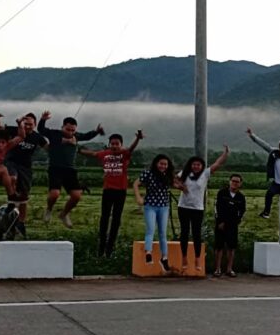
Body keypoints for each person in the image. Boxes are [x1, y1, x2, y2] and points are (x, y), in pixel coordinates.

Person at [79, 129, 144, 257]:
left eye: (117, 143)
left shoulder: (124, 154)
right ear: (109, 144)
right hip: (107, 190)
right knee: (104, 218)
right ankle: (101, 248)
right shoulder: (105, 154)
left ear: (121, 144)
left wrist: (137, 139)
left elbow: (131, 148)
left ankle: (110, 249)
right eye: (112, 143)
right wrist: (78, 150)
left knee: (116, 219)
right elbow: (92, 154)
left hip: (121, 191)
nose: (114, 146)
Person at [38, 111, 103, 228]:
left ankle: (64, 214)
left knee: (76, 196)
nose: (70, 132)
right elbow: (41, 130)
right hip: (55, 168)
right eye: (68, 129)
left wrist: (97, 131)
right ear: (62, 127)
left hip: (70, 170)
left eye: (73, 130)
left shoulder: (76, 136)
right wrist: (43, 119)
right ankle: (49, 209)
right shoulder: (54, 134)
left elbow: (87, 136)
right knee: (54, 194)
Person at [0, 112, 48, 239]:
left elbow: (49, 148)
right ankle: (12, 200)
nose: (28, 127)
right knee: (12, 178)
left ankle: (20, 224)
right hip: (11, 162)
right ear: (22, 123)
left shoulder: (37, 137)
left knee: (24, 198)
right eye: (26, 124)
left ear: (34, 125)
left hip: (26, 167)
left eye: (30, 124)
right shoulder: (13, 130)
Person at [177, 145, 230, 272]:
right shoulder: (184, 173)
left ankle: (197, 259)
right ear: (191, 165)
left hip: (197, 208)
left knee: (196, 234)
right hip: (183, 207)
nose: (196, 166)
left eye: (198, 165)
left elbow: (217, 163)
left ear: (202, 166)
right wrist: (180, 187)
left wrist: (225, 154)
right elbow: (173, 180)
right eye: (194, 164)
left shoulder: (205, 174)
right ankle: (184, 257)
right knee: (184, 232)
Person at [133, 154, 184, 271]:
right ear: (156, 163)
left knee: (162, 233)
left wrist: (184, 187)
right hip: (150, 206)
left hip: (164, 207)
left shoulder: (168, 175)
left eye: (165, 164)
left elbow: (177, 185)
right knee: (150, 229)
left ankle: (164, 258)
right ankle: (148, 252)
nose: (163, 166)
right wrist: (138, 197)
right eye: (161, 163)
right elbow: (136, 184)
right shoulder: (148, 173)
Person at [213, 173, 246, 277]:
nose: (235, 183)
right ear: (229, 181)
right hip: (221, 223)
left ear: (240, 183)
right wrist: (220, 221)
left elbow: (242, 210)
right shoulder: (222, 193)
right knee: (219, 247)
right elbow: (217, 208)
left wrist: (238, 220)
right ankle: (217, 269)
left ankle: (229, 269)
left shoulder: (241, 197)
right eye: (233, 181)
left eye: (237, 182)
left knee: (231, 247)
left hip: (233, 224)